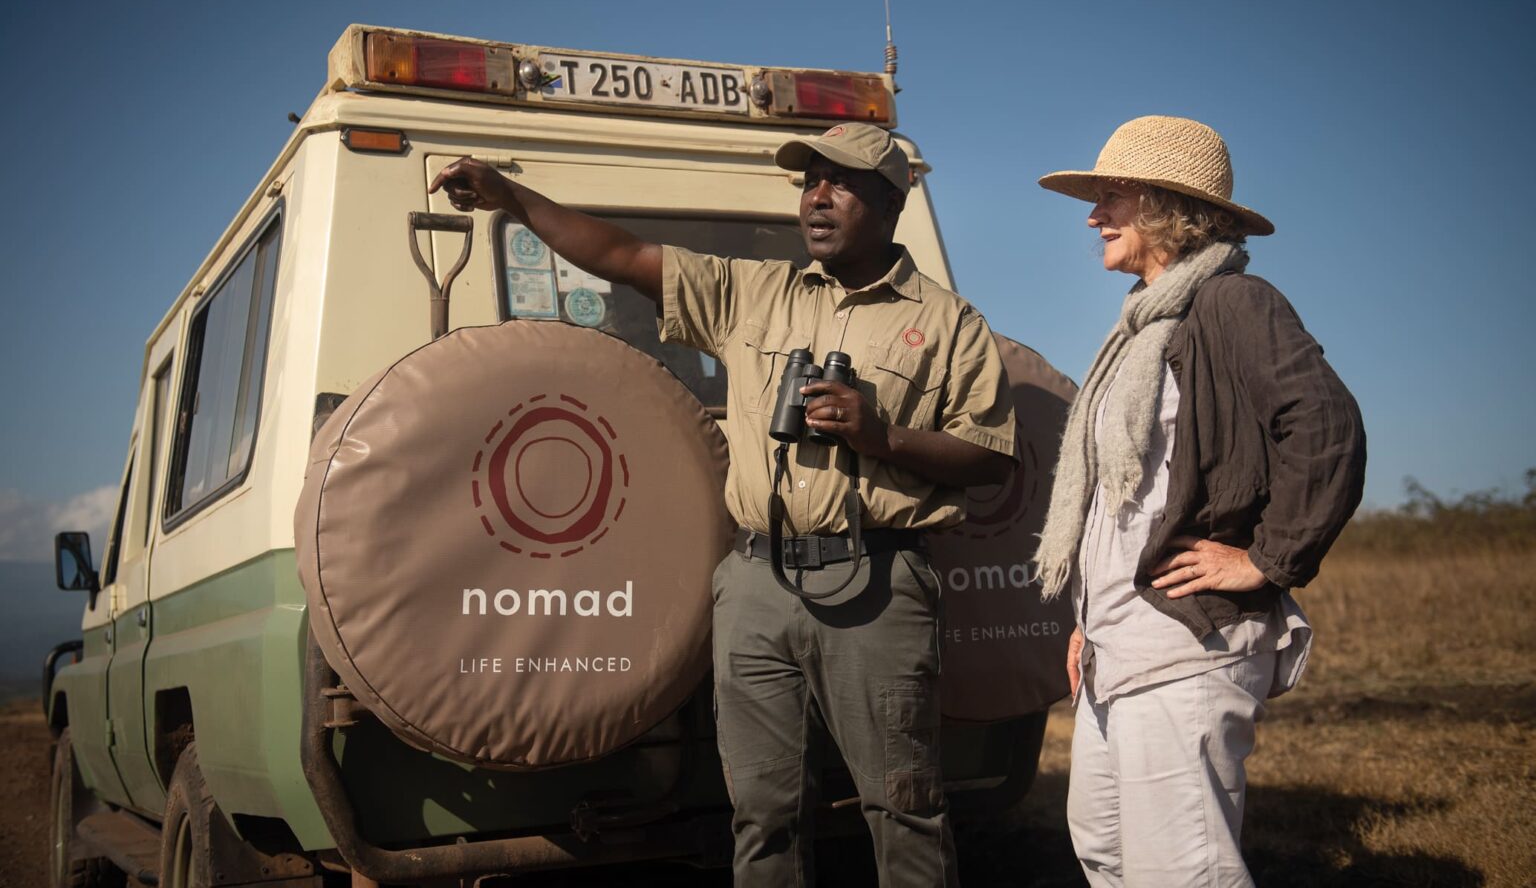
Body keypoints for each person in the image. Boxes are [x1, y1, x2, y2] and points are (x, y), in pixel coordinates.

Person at [431, 122, 1017, 887]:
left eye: (839, 183)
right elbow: (623, 256)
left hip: (877, 582)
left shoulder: (948, 323)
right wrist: (513, 198)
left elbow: (989, 460)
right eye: (809, 182)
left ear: (889, 202)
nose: (816, 198)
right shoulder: (754, 293)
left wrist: (882, 436)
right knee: (763, 812)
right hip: (755, 583)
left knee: (902, 805)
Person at [1031, 116, 1366, 887]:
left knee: (1186, 874)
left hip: (1185, 648)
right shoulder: (1143, 324)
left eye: (1111, 196)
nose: (1092, 216)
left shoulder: (1234, 303)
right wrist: (1089, 621)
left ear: (1165, 208)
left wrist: (1268, 559)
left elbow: (1326, 426)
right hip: (1120, 647)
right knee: (1107, 854)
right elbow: (1125, 503)